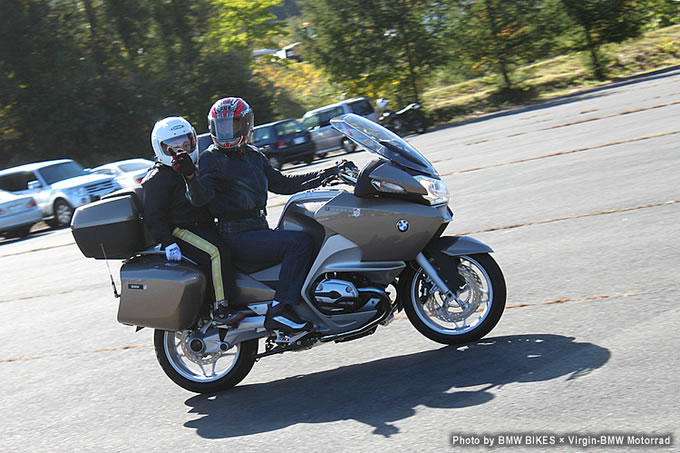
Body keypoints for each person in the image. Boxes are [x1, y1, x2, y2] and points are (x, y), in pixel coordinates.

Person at [171, 97, 351, 333]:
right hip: (236, 235)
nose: (227, 133)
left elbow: (283, 184)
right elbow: (200, 198)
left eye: (232, 126)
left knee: (311, 232)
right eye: (222, 127)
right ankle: (280, 310)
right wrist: (190, 177)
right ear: (213, 128)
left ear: (246, 126)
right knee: (299, 243)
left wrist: (328, 172)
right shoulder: (211, 158)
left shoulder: (254, 155)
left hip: (258, 228)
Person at [142, 116, 242, 324]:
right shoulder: (158, 178)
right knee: (216, 252)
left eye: (186, 144)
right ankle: (221, 307)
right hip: (180, 229)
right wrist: (168, 242)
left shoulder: (194, 169)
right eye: (173, 147)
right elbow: (153, 214)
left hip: (203, 225)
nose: (181, 151)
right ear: (161, 148)